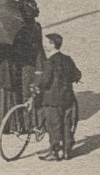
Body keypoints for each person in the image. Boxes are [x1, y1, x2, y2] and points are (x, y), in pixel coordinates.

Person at [34, 33, 81, 161]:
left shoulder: (50, 62)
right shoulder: (67, 59)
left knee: (54, 125)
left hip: (53, 99)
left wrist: (37, 86)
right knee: (67, 123)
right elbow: (76, 75)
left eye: (48, 42)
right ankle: (66, 151)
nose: (45, 45)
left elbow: (45, 80)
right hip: (68, 97)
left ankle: (55, 152)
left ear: (53, 45)